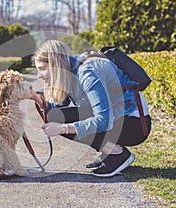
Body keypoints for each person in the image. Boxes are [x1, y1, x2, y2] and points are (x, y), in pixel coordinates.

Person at [30, 40, 151, 177]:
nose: (39, 75)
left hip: (135, 124)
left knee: (60, 121)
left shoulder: (87, 72)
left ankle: (117, 153)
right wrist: (34, 97)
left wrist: (63, 128)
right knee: (55, 116)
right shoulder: (69, 70)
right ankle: (110, 151)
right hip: (117, 118)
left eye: (42, 68)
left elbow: (103, 121)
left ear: (55, 65)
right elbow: (56, 109)